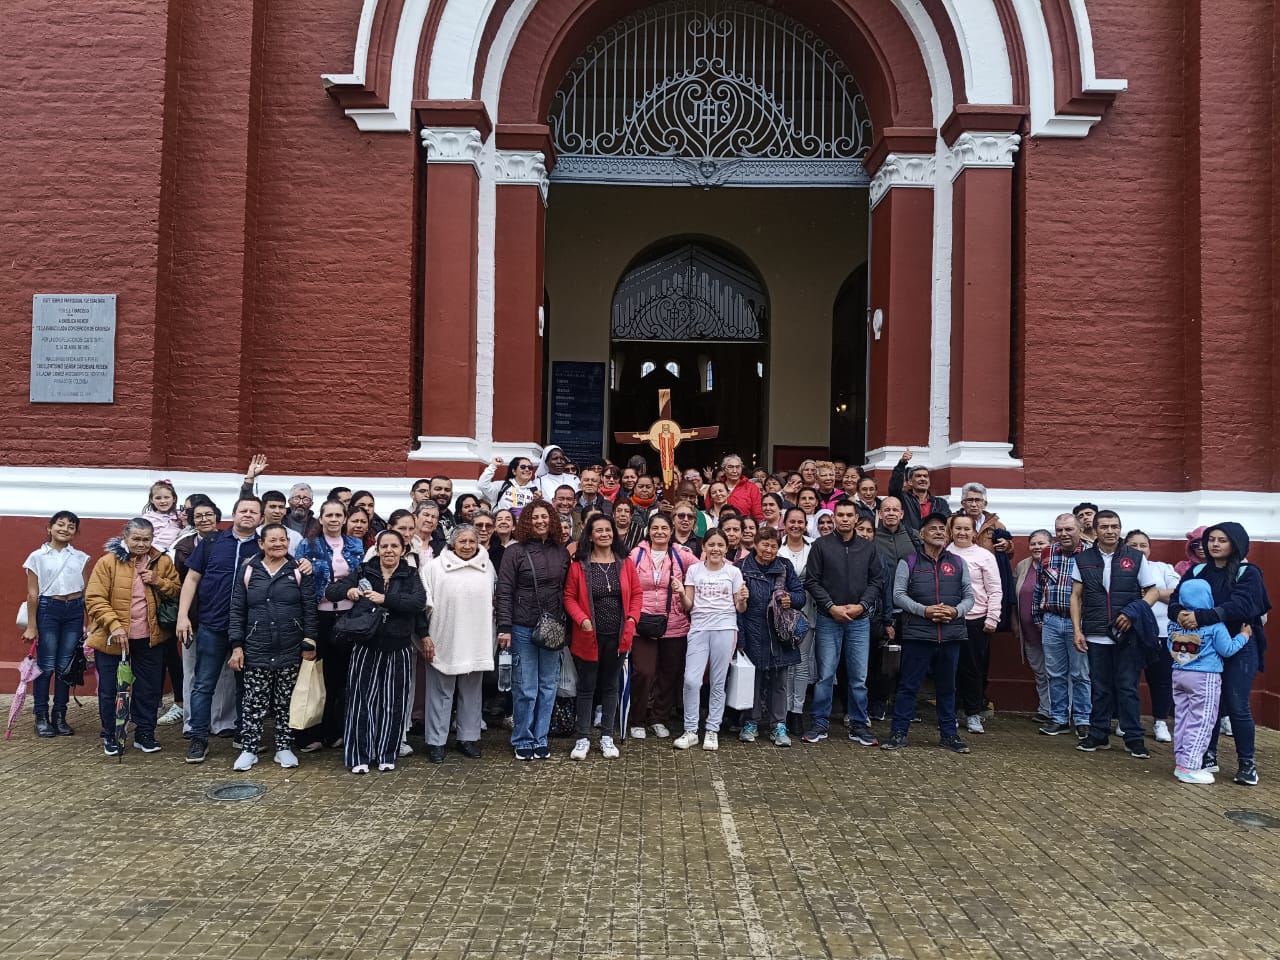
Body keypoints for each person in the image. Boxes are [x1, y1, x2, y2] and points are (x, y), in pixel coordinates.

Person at [1169, 522, 1272, 787]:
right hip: (1204, 650)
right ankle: (1206, 755)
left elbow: (1242, 605)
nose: (1214, 544)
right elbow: (1176, 600)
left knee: (1237, 704)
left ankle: (1246, 763)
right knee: (1207, 704)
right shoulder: (1197, 571)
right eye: (1211, 539)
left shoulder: (1248, 573)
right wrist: (1179, 613)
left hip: (1239, 644)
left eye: (1222, 540)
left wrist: (1202, 617)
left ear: (1235, 544)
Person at [326, 530, 428, 773]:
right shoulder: (364, 571)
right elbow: (332, 591)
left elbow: (417, 602)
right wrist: (347, 591)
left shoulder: (410, 574)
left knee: (394, 702)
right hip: (366, 644)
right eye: (385, 546)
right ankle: (359, 756)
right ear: (377, 549)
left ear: (402, 550)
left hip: (399, 645)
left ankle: (386, 753)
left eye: (394, 546)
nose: (389, 550)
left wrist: (386, 599)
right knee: (361, 701)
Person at [177, 496, 265, 763]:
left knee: (246, 685)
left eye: (253, 512)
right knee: (203, 683)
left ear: (261, 518)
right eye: (243, 510)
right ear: (233, 514)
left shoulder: (263, 546)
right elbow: (192, 579)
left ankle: (243, 734)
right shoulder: (212, 542)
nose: (247, 515)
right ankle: (198, 737)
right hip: (212, 625)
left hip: (248, 629)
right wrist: (183, 616)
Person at [84, 518, 181, 756]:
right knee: (111, 689)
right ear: (125, 537)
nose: (141, 544)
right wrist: (114, 626)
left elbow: (177, 590)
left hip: (150, 637)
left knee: (149, 689)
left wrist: (158, 581)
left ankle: (145, 733)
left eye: (146, 539)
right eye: (136, 539)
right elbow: (94, 598)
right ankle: (111, 734)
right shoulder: (108, 562)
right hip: (113, 638)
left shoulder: (162, 561)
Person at [881, 512, 975, 754]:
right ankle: (899, 733)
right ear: (921, 535)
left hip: (951, 634)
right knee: (908, 686)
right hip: (918, 635)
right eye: (932, 528)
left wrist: (955, 611)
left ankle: (949, 735)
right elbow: (898, 595)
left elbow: (969, 597)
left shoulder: (958, 563)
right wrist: (925, 611)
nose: (938, 532)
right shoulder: (909, 561)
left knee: (947, 687)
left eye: (942, 528)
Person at [227, 524, 318, 771]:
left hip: (290, 647)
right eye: (273, 540)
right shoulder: (248, 570)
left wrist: (310, 641)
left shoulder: (299, 570)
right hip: (257, 647)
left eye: (282, 540)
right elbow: (237, 610)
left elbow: (310, 609)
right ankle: (249, 749)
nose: (278, 544)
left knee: (285, 701)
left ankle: (284, 747)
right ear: (261, 543)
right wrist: (237, 645)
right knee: (253, 702)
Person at [1071, 509, 1159, 758]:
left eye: (1115, 526)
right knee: (1100, 688)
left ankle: (1134, 738)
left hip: (1127, 633)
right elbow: (1076, 596)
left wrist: (1134, 612)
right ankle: (1098, 734)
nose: (1110, 531)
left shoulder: (1135, 557)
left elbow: (1152, 591)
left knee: (1127, 687)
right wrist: (1077, 630)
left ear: (1120, 529)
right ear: (1095, 529)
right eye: (1105, 527)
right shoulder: (1083, 558)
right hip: (1095, 633)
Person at [803, 500, 884, 746]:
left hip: (859, 619)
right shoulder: (821, 546)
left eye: (849, 515)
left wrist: (862, 606)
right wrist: (831, 606)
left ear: (857, 518)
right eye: (840, 515)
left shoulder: (868, 548)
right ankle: (820, 723)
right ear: (834, 518)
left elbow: (877, 581)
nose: (845, 519)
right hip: (829, 617)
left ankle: (858, 724)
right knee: (825, 675)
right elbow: (812, 581)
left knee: (858, 677)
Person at [496, 502, 571, 761]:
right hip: (522, 626)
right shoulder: (514, 552)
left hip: (553, 627)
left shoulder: (561, 552)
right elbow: (504, 591)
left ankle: (541, 738)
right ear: (528, 521)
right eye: (535, 517)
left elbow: (567, 590)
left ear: (552, 520)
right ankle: (523, 738)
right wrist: (504, 627)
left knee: (548, 686)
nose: (540, 521)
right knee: (525, 687)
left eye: (545, 517)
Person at [564, 515, 642, 760]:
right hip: (588, 636)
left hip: (618, 637)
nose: (605, 534)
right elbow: (569, 597)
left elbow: (637, 594)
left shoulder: (625, 563)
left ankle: (607, 736)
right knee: (586, 687)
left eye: (608, 530)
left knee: (610, 686)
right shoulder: (579, 565)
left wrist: (632, 619)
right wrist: (582, 619)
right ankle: (583, 738)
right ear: (590, 535)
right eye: (599, 530)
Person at [294, 498, 365, 752]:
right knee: (316, 675)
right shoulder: (307, 544)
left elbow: (361, 575)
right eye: (329, 515)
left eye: (338, 515)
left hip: (348, 615)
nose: (334, 519)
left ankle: (335, 730)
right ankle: (311, 731)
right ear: (321, 518)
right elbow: (299, 580)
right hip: (319, 616)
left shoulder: (355, 544)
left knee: (341, 675)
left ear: (344, 519)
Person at [423, 524, 496, 763]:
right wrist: (424, 636)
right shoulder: (434, 568)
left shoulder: (487, 567)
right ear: (452, 543)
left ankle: (468, 738)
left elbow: (494, 602)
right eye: (462, 541)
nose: (467, 546)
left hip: (476, 637)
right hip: (443, 637)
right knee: (439, 693)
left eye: (472, 542)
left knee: (472, 693)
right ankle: (436, 741)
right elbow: (425, 605)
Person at [1167, 579, 1251, 784]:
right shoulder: (1214, 625)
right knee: (1202, 721)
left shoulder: (1174, 623)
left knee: (1182, 719)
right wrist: (1244, 636)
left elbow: (1170, 645)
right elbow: (1227, 649)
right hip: (1205, 677)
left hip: (1179, 674)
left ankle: (1181, 763)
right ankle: (1191, 767)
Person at [674, 529, 748, 751]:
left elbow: (739, 608)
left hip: (725, 629)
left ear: (726, 548)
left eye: (720, 545)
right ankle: (690, 730)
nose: (715, 549)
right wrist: (681, 593)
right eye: (711, 544)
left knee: (718, 681)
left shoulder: (733, 572)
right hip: (699, 629)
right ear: (704, 547)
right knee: (691, 680)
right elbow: (688, 605)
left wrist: (743, 599)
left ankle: (712, 730)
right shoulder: (694, 570)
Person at [21, 510, 89, 737]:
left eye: (71, 526)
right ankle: (41, 716)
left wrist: (90, 622)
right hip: (48, 610)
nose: (65, 529)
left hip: (74, 611)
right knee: (47, 665)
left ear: (75, 532)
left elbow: (87, 592)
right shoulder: (36, 557)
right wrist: (32, 626)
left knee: (65, 667)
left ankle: (60, 716)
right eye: (60, 524)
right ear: (49, 528)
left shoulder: (80, 557)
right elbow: (33, 594)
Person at [628, 514, 697, 740]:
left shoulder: (680, 554)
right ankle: (637, 718)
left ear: (671, 531)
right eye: (655, 528)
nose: (659, 532)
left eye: (664, 528)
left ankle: (659, 718)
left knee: (669, 673)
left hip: (674, 622)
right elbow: (625, 581)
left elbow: (704, 569)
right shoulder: (637, 554)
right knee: (643, 672)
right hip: (643, 623)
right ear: (648, 530)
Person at [737, 526, 806, 747]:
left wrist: (790, 599)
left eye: (773, 546)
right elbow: (735, 608)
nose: (769, 549)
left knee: (779, 682)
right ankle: (750, 722)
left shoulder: (784, 566)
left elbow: (801, 595)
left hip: (780, 634)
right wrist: (740, 639)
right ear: (755, 545)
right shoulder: (741, 568)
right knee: (753, 681)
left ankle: (778, 724)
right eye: (764, 544)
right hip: (753, 631)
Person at [169, 497, 224, 735]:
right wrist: (183, 615)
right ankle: (192, 721)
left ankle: (221, 721)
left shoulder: (228, 541)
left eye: (208, 514)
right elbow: (182, 582)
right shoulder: (183, 547)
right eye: (198, 516)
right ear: (192, 520)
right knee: (192, 669)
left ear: (217, 517)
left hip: (220, 614)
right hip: (192, 615)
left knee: (223, 672)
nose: (204, 519)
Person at [1034, 513, 1091, 738]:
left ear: (1080, 529)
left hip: (1080, 623)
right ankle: (1059, 718)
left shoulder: (1091, 553)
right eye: (1059, 530)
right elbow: (1040, 586)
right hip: (1052, 620)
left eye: (1069, 529)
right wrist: (1038, 617)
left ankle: (1083, 719)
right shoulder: (1048, 552)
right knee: (1054, 673)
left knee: (1081, 674)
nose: (1063, 534)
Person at [946, 515, 1003, 735]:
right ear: (951, 531)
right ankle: (949, 713)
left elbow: (995, 589)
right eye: (958, 528)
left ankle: (972, 712)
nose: (962, 533)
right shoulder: (944, 553)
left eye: (966, 529)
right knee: (949, 668)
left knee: (973, 669)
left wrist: (992, 617)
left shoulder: (984, 556)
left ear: (974, 532)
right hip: (949, 618)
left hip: (976, 620)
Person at [1125, 529, 1178, 743]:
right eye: (1133, 545)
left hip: (1163, 632)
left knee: (1162, 679)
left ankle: (1160, 721)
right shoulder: (1120, 569)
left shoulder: (1163, 569)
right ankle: (1127, 720)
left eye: (1143, 545)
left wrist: (1152, 594)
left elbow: (1178, 593)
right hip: (1130, 632)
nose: (1139, 549)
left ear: (1149, 548)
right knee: (1128, 679)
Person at [858, 515, 897, 723]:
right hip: (853, 619)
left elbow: (886, 590)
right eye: (861, 529)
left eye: (869, 530)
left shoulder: (879, 557)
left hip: (875, 619)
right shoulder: (847, 554)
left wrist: (888, 621)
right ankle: (858, 707)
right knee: (857, 667)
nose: (865, 534)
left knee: (876, 665)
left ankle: (877, 704)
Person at [779, 508, 815, 731]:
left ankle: (797, 711)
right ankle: (782, 710)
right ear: (784, 523)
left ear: (805, 524)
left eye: (800, 522)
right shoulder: (777, 547)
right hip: (781, 613)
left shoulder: (814, 547)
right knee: (786, 663)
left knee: (801, 663)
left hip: (808, 609)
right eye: (791, 521)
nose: (796, 525)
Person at [1012, 529, 1054, 724]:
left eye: (1041, 543)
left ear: (1051, 545)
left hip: (1053, 630)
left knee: (1057, 672)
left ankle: (1062, 711)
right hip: (1029, 632)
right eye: (1033, 543)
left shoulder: (1058, 564)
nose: (1037, 547)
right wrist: (1015, 622)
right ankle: (1045, 709)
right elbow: (1015, 598)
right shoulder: (1023, 566)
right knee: (1040, 672)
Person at [888, 450, 950, 532]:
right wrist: (902, 464)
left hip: (933, 539)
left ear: (929, 482)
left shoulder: (940, 503)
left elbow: (947, 524)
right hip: (910, 539)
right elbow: (894, 487)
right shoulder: (903, 499)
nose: (923, 479)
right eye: (918, 476)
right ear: (910, 482)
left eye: (925, 476)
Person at [957, 483, 1012, 556]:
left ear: (985, 504)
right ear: (963, 503)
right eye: (970, 500)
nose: (974, 505)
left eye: (978, 500)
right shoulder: (951, 522)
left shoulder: (996, 525)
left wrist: (1007, 546)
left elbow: (1010, 555)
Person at [718, 455, 763, 522]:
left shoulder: (751, 488)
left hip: (744, 526)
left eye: (738, 467)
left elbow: (758, 514)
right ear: (723, 470)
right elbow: (709, 510)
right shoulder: (716, 487)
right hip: (720, 526)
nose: (734, 471)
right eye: (730, 467)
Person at [141, 480, 182, 552]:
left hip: (174, 553)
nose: (162, 501)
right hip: (153, 553)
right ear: (151, 500)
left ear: (174, 499)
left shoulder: (179, 516)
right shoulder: (147, 518)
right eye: (158, 498)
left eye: (166, 497)